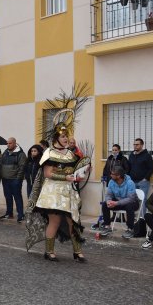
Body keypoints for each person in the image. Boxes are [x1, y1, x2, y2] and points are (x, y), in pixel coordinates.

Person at [25, 107, 91, 262]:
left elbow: (76, 170)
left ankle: (77, 251)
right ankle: (49, 251)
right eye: (63, 136)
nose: (66, 138)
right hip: (52, 193)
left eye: (66, 135)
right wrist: (65, 177)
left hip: (68, 192)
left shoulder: (71, 154)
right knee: (54, 221)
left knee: (73, 221)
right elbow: (48, 174)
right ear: (56, 137)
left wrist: (81, 171)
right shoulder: (49, 153)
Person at [98, 167, 139, 238]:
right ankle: (107, 226)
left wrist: (116, 203)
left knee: (129, 206)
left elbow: (130, 199)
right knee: (104, 204)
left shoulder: (130, 183)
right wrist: (109, 201)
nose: (110, 175)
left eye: (112, 174)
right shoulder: (111, 182)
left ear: (118, 176)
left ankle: (130, 229)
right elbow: (109, 195)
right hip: (118, 202)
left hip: (132, 202)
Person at [0, 137, 27, 222]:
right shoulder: (5, 153)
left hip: (15, 179)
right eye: (7, 143)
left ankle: (20, 215)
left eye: (10, 143)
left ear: (15, 143)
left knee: (17, 197)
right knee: (8, 197)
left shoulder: (20, 154)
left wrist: (18, 179)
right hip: (5, 179)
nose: (8, 145)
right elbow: (1, 164)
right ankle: (9, 213)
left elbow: (22, 167)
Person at [129, 138, 153, 217]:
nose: (135, 146)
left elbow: (151, 168)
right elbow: (129, 167)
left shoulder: (147, 156)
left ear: (142, 145)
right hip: (132, 182)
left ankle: (142, 218)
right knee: (132, 199)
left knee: (143, 200)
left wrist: (145, 178)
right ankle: (131, 217)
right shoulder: (131, 155)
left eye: (137, 144)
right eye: (134, 144)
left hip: (143, 182)